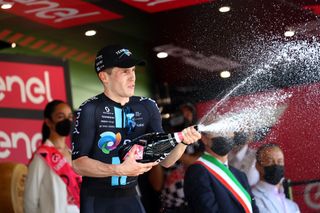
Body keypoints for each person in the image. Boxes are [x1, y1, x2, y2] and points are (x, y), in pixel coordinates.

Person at [71, 44, 201, 213]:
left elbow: (166, 161)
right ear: (104, 76)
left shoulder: (147, 106)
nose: (132, 77)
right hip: (96, 200)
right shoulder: (90, 109)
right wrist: (118, 170)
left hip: (130, 197)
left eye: (133, 70)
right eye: (125, 71)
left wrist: (182, 141)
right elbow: (78, 164)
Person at [24, 100, 81, 213]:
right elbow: (30, 200)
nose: (67, 121)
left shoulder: (74, 155)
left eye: (70, 117)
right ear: (49, 122)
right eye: (61, 116)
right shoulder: (41, 157)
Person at [184, 134, 259, 213]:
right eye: (218, 131)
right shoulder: (198, 171)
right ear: (204, 139)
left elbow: (253, 207)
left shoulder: (240, 175)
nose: (224, 135)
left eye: (228, 130)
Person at [252, 143, 300, 213]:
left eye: (280, 161)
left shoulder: (292, 206)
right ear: (258, 166)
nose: (276, 165)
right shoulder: (253, 198)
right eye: (270, 161)